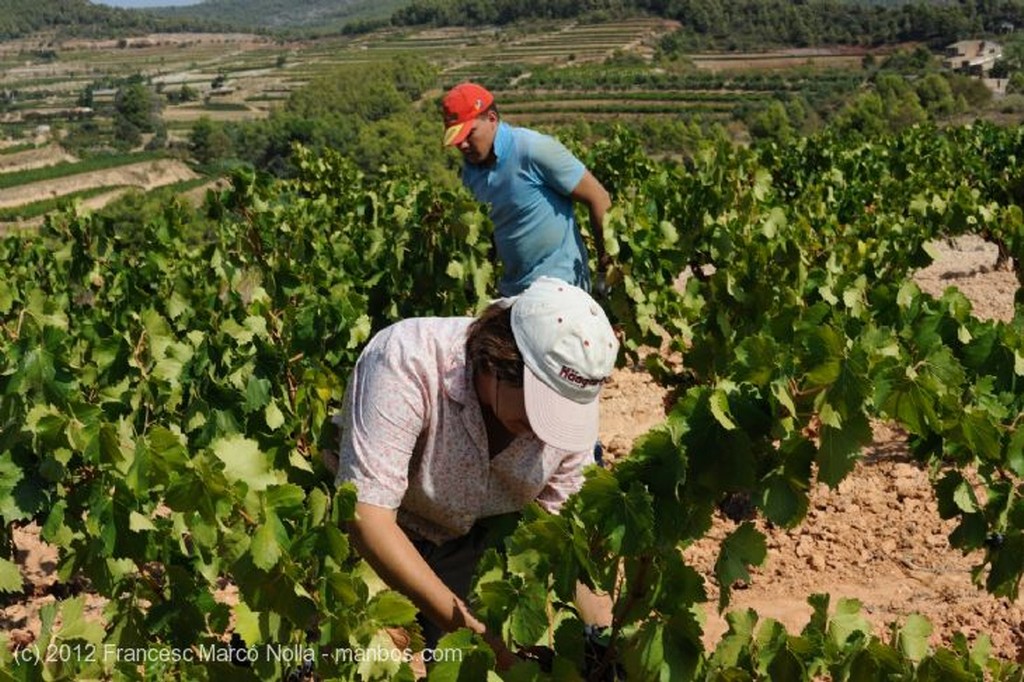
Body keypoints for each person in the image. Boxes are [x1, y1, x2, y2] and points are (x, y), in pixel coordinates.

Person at [334, 277, 618, 668]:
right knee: (364, 658)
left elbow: (563, 538)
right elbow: (368, 519)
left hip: (465, 543)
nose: (545, 432)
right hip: (366, 544)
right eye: (541, 409)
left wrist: (607, 638)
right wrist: (481, 639)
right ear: (496, 361)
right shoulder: (406, 360)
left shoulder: (569, 407)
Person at [441, 82, 613, 299]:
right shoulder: (470, 172)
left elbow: (599, 198)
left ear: (492, 119)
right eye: (458, 139)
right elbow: (490, 231)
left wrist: (604, 271)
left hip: (561, 290)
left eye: (470, 134)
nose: (463, 145)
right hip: (512, 294)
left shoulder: (533, 150)